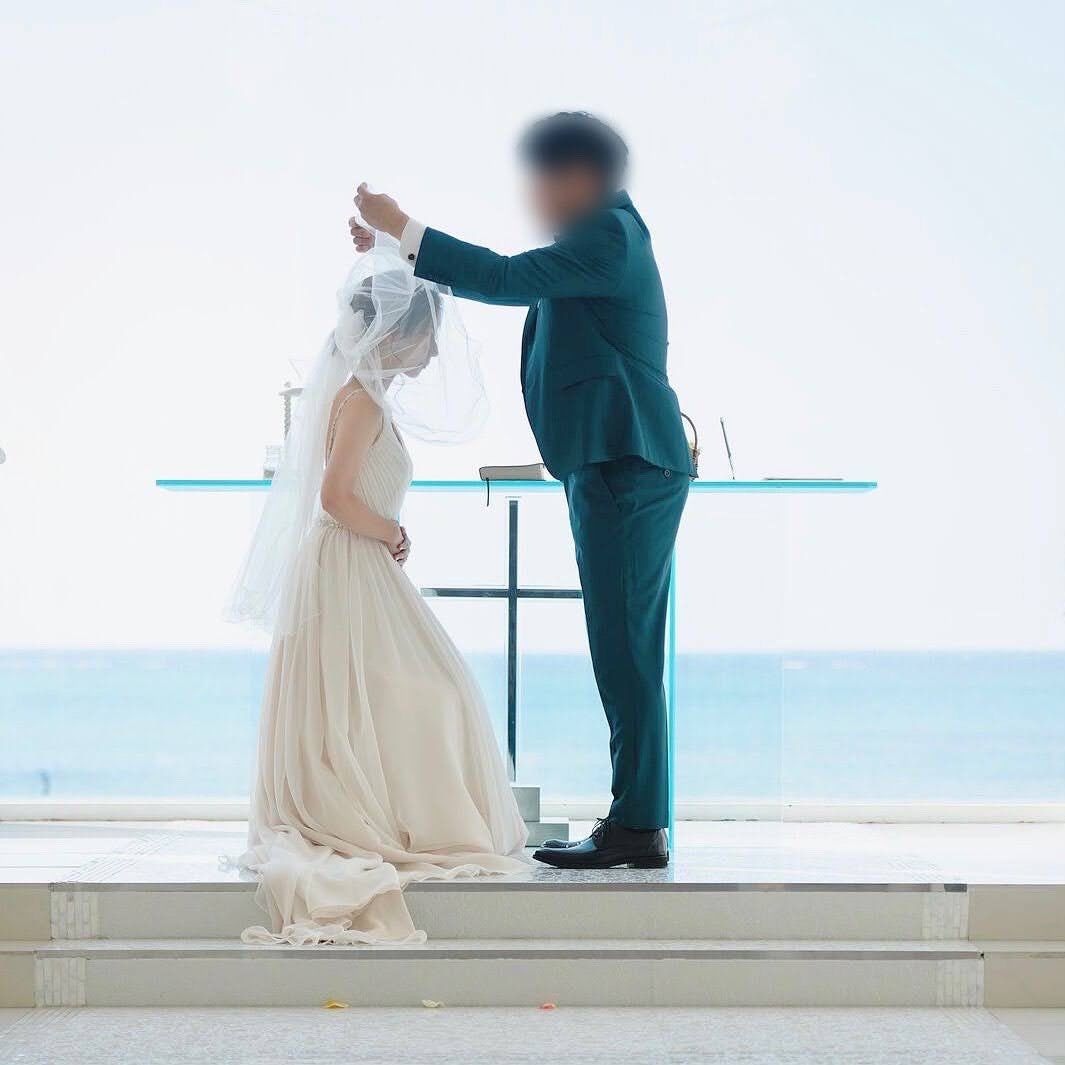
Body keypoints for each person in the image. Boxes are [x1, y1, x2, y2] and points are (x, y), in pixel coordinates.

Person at [351, 112, 692, 870]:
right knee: (623, 647)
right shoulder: (600, 239)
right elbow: (508, 279)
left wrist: (401, 225)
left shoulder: (608, 236)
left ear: (579, 177)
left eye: (540, 179)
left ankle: (638, 826)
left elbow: (505, 278)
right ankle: (638, 821)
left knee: (625, 651)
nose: (532, 195)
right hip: (613, 463)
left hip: (624, 462)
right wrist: (396, 247)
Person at [227, 247, 527, 945]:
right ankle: (393, 815)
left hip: (360, 565)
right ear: (397, 333)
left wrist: (386, 533)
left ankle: (397, 809)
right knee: (426, 689)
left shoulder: (363, 396)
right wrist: (389, 529)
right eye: (427, 340)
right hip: (349, 564)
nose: (432, 355)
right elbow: (334, 498)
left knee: (409, 692)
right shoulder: (360, 400)